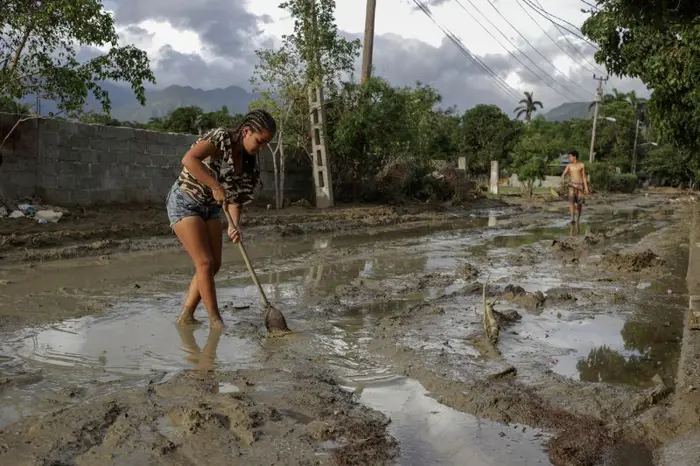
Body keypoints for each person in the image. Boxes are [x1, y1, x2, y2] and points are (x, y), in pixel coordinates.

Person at [166, 109, 276, 329]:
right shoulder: (220, 138)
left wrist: (233, 225)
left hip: (211, 208)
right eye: (259, 141)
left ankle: (186, 315)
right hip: (185, 200)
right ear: (246, 131)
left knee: (214, 265)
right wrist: (215, 185)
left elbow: (235, 199)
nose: (261, 148)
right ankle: (216, 321)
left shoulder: (249, 163)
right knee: (204, 263)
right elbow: (189, 159)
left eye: (265, 144)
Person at [561, 149, 589, 223]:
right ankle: (572, 218)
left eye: (570, 157)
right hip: (572, 187)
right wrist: (566, 181)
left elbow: (584, 177)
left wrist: (586, 188)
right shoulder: (569, 166)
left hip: (580, 186)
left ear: (574, 157)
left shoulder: (581, 165)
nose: (569, 158)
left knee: (579, 204)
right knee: (571, 202)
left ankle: (578, 218)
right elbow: (563, 175)